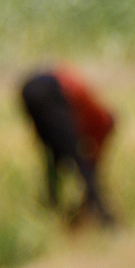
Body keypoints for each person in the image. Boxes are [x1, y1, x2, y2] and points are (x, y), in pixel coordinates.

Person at [19, 64, 119, 227]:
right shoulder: (104, 122)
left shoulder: (94, 112)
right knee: (79, 162)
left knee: (53, 155)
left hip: (30, 89)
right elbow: (92, 162)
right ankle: (105, 218)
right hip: (52, 90)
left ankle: (52, 206)